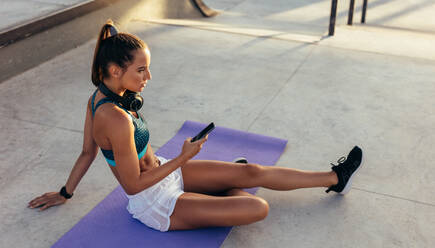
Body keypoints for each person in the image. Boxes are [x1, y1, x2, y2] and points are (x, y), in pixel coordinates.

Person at [28, 20, 364, 232]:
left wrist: (65, 192)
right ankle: (219, 188)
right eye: (141, 70)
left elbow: (87, 152)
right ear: (115, 70)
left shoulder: (100, 98)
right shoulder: (113, 117)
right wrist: (183, 158)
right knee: (256, 208)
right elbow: (131, 186)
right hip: (155, 202)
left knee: (251, 172)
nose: (147, 77)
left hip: (162, 172)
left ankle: (336, 178)